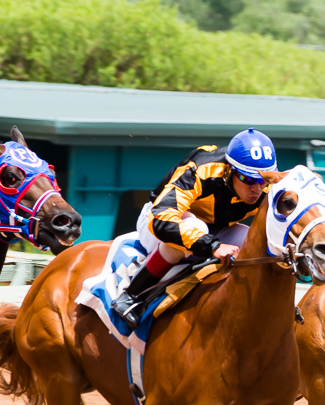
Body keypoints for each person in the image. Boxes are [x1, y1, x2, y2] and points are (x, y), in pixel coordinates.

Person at [111, 128, 277, 328]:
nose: (257, 188)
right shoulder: (201, 169)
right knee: (195, 226)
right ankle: (131, 295)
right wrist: (213, 246)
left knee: (251, 238)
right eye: (249, 179)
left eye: (263, 180)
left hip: (216, 230)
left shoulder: (270, 186)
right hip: (157, 221)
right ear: (230, 170)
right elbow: (161, 219)